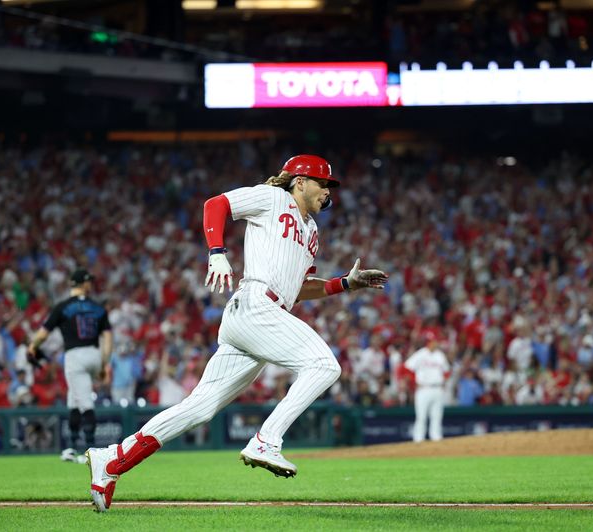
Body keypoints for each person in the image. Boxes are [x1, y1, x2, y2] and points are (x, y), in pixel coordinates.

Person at [84, 154, 389, 512]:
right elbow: (217, 204)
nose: (327, 191)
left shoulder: (312, 231)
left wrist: (345, 284)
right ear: (300, 182)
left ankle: (113, 459)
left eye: (330, 186)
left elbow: (299, 287)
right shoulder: (273, 197)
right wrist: (216, 252)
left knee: (199, 408)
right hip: (255, 303)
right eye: (323, 183)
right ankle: (266, 440)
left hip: (262, 314)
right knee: (325, 366)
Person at [28, 268, 113, 462]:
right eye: (88, 281)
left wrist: (32, 346)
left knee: (85, 402)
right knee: (74, 399)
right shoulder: (98, 307)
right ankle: (72, 447)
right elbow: (108, 338)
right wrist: (104, 363)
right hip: (94, 353)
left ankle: (91, 452)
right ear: (82, 283)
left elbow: (43, 334)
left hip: (75, 355)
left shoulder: (62, 307)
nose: (90, 284)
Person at [405, 331, 450, 442]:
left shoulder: (440, 355)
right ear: (429, 342)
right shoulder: (421, 354)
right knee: (421, 417)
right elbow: (406, 368)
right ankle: (418, 439)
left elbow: (447, 371)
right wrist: (413, 382)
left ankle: (436, 438)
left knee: (437, 416)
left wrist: (444, 380)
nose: (436, 343)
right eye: (434, 341)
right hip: (423, 389)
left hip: (437, 388)